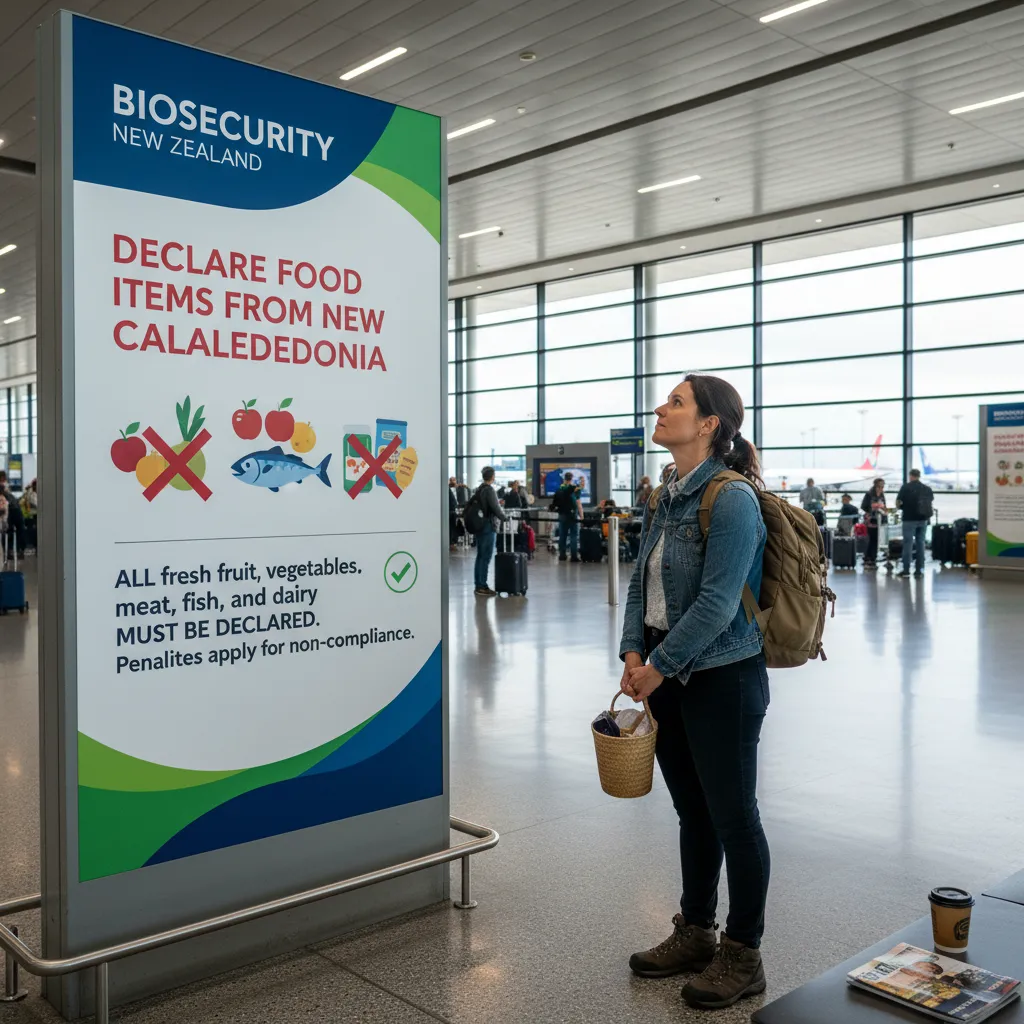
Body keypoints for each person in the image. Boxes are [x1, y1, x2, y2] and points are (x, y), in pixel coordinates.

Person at [619, 373, 769, 1011]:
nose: (661, 408)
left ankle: (743, 953)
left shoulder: (731, 500)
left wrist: (659, 665)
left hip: (722, 678)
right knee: (693, 813)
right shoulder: (664, 494)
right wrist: (633, 651)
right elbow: (638, 582)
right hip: (670, 675)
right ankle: (696, 930)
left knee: (735, 817)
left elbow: (715, 603)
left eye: (676, 402)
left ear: (709, 423)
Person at [471, 466, 506, 597]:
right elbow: (495, 508)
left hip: (479, 526)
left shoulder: (479, 489)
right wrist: (504, 518)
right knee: (485, 556)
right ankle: (482, 586)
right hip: (488, 526)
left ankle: (478, 584)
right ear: (492, 477)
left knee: (480, 556)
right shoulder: (489, 490)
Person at [895, 469, 934, 579]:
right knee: (921, 543)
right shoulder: (927, 488)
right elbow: (930, 501)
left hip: (908, 519)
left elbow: (898, 503)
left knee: (908, 544)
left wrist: (902, 507)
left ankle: (906, 570)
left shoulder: (905, 487)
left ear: (911, 476)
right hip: (923, 519)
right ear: (919, 476)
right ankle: (919, 570)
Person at [552, 471, 582, 563]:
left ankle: (562, 555)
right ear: (571, 478)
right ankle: (573, 556)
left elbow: (555, 503)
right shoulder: (575, 489)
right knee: (573, 535)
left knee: (562, 535)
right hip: (572, 515)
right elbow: (578, 503)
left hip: (562, 514)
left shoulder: (559, 489)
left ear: (564, 478)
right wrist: (581, 515)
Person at [860, 478, 888, 569]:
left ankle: (871, 557)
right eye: (880, 486)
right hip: (871, 520)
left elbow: (884, 505)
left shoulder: (881, 495)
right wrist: (872, 508)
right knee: (872, 538)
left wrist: (884, 510)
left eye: (882, 486)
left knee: (875, 539)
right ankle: (869, 557)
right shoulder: (869, 494)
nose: (881, 488)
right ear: (876, 486)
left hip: (879, 520)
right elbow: (863, 506)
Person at [448, 478, 458, 551]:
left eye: (454, 480)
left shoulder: (459, 488)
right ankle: (452, 543)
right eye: (451, 480)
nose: (452, 481)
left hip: (451, 510)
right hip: (451, 511)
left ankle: (452, 543)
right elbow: (454, 503)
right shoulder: (447, 488)